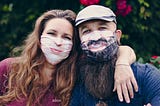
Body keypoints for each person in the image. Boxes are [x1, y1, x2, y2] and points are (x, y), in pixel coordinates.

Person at [0, 9, 136, 106]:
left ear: (74, 45)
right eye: (52, 33)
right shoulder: (9, 69)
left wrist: (122, 64)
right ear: (39, 38)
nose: (58, 42)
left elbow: (123, 50)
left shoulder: (77, 72)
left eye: (66, 37)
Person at [70, 5, 160, 106]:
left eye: (102, 28)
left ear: (117, 36)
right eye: (87, 31)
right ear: (80, 41)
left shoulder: (146, 76)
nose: (95, 37)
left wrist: (122, 63)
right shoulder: (77, 83)